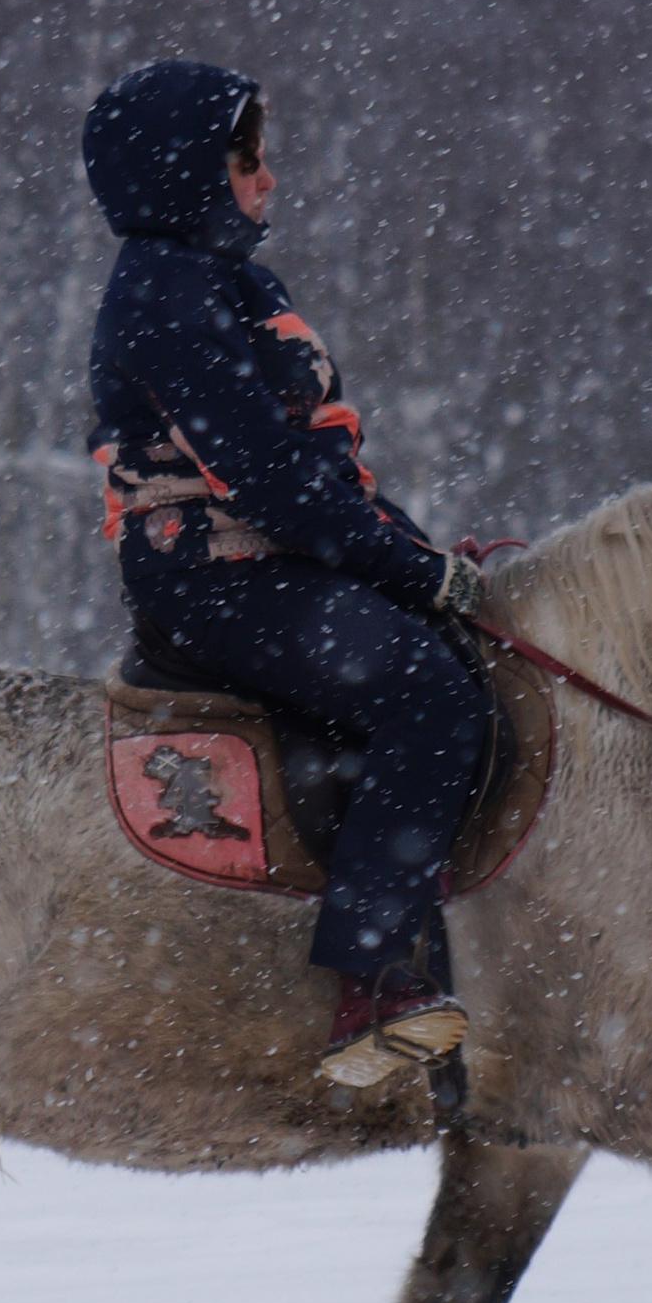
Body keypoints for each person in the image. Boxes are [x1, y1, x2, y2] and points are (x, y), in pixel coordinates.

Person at [83, 56, 496, 1092]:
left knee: (465, 652)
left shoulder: (234, 280)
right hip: (212, 580)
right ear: (185, 169)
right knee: (429, 695)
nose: (268, 180)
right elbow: (265, 479)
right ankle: (371, 978)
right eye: (246, 157)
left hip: (279, 559)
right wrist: (404, 569)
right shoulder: (160, 293)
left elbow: (325, 472)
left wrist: (423, 558)